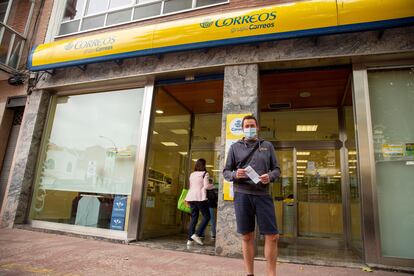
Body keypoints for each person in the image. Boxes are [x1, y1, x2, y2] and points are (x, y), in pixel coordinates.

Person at [223, 115, 281, 276]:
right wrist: (235, 174)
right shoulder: (235, 147)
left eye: (252, 125)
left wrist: (270, 176)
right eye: (246, 126)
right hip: (242, 195)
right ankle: (250, 274)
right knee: (247, 236)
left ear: (258, 127)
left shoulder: (267, 146)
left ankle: (271, 274)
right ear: (242, 129)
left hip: (263, 195)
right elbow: (226, 172)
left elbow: (277, 169)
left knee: (273, 236)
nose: (249, 128)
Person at [185, 158, 214, 246]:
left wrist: (186, 198)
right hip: (200, 197)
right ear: (204, 165)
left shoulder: (192, 174)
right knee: (207, 216)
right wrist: (212, 185)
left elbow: (191, 187)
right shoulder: (205, 173)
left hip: (191, 197)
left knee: (194, 217)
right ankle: (196, 234)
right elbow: (206, 186)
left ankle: (189, 240)